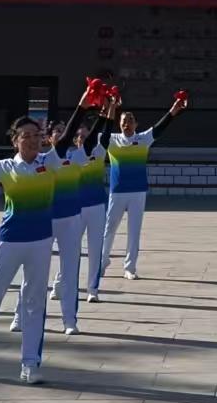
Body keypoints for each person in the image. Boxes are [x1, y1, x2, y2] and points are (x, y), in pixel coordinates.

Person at [0, 94, 92, 383]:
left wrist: (83, 104)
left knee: (34, 301)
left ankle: (30, 364)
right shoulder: (6, 166)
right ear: (15, 141)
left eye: (36, 135)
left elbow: (67, 135)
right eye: (25, 136)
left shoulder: (50, 161)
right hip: (10, 242)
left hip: (40, 242)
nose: (32, 140)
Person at [104, 94, 187, 281]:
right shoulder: (111, 139)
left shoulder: (143, 139)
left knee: (134, 231)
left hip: (137, 191)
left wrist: (174, 110)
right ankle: (102, 262)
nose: (127, 124)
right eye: (124, 121)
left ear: (136, 124)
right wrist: (111, 107)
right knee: (110, 228)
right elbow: (100, 128)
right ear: (119, 123)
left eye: (130, 120)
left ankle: (129, 267)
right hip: (117, 192)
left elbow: (160, 127)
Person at [29, 119, 86, 336]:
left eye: (65, 131)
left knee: (70, 271)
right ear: (49, 137)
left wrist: (105, 112)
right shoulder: (41, 159)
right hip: (44, 219)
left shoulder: (77, 156)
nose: (62, 135)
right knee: (34, 272)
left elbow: (98, 137)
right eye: (57, 132)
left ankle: (69, 320)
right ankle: (20, 315)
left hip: (70, 220)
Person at [78, 97, 115, 302]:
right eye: (79, 136)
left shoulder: (100, 151)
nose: (82, 139)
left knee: (94, 249)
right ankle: (59, 283)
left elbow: (107, 130)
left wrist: (111, 107)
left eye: (86, 135)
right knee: (70, 250)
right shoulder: (70, 157)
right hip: (75, 209)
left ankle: (92, 289)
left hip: (97, 207)